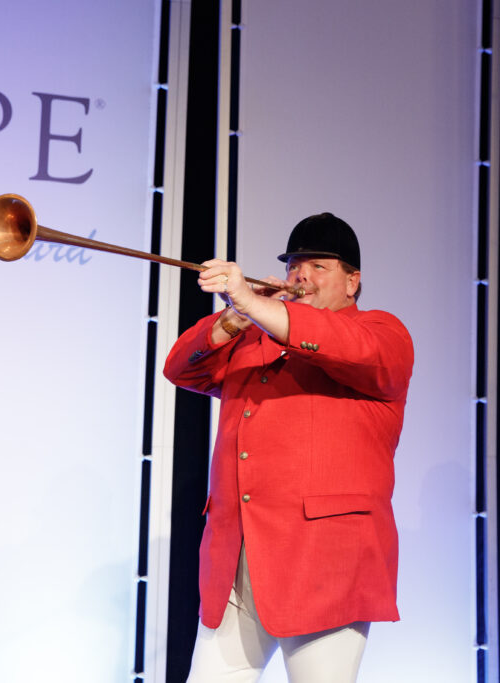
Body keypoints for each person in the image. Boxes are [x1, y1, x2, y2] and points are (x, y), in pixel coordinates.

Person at [164, 212, 414, 682]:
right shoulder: (255, 336)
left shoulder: (382, 332)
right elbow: (183, 369)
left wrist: (258, 309)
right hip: (237, 563)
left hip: (325, 570)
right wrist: (237, 315)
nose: (302, 275)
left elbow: (340, 345)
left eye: (319, 266)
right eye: (296, 265)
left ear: (353, 281)